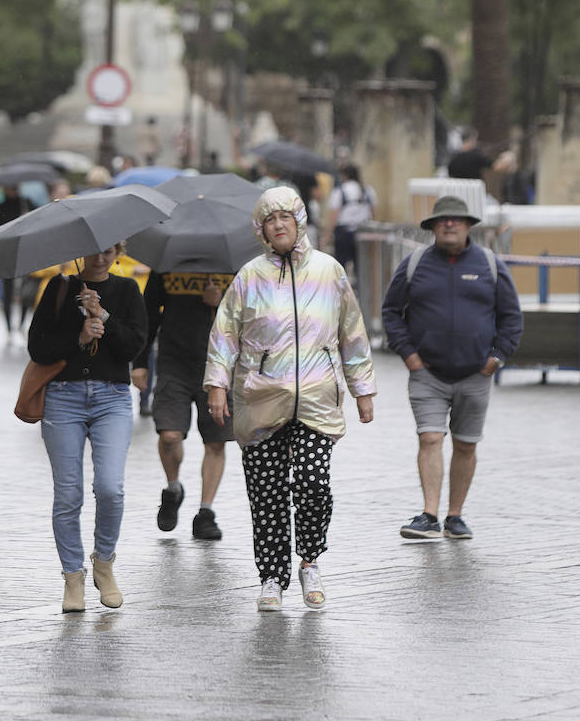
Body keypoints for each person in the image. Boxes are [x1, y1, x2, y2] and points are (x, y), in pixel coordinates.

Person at [205, 186, 376, 613]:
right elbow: (224, 335)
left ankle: (310, 560)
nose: (279, 225)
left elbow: (351, 332)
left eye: (286, 218)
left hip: (318, 398)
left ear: (300, 221)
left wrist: (363, 390)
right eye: (270, 220)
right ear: (261, 229)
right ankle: (271, 577)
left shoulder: (329, 271)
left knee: (314, 484)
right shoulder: (249, 276)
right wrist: (216, 385)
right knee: (266, 494)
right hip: (260, 399)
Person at [381, 194, 523, 542]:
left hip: (476, 375)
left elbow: (512, 317)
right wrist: (409, 356)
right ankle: (429, 514)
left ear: (468, 226)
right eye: (442, 220)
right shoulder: (415, 264)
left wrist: (496, 360)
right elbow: (391, 312)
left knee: (465, 445)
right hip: (427, 374)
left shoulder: (490, 265)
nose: (449, 225)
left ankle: (455, 516)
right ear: (431, 227)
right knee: (430, 438)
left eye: (456, 220)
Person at [27, 244, 147, 613]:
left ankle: (104, 563)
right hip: (63, 397)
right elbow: (37, 347)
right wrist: (77, 338)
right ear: (81, 252)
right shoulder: (59, 288)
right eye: (94, 251)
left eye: (109, 251)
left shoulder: (126, 291)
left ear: (118, 252)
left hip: (112, 397)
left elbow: (134, 347)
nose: (100, 258)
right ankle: (72, 577)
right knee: (68, 494)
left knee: (110, 487)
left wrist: (103, 317)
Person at [131, 271, 234, 541]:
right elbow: (149, 314)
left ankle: (205, 512)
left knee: (215, 442)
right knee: (169, 435)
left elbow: (253, 315)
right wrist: (140, 362)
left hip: (218, 367)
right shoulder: (168, 262)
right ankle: (173, 488)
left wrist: (221, 302)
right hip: (173, 364)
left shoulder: (231, 264)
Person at [0, 185, 35, 344]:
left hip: (25, 251)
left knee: (25, 290)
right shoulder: (0, 207)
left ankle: (21, 323)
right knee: (7, 291)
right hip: (6, 252)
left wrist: (28, 217)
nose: (12, 191)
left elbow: (39, 222)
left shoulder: (27, 203)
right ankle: (8, 326)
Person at [320, 163, 376, 277]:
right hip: (363, 232)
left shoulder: (339, 191)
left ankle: (341, 291)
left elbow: (334, 216)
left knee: (341, 266)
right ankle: (362, 291)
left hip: (343, 233)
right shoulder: (368, 190)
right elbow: (373, 213)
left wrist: (326, 237)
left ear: (344, 175)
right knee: (361, 266)